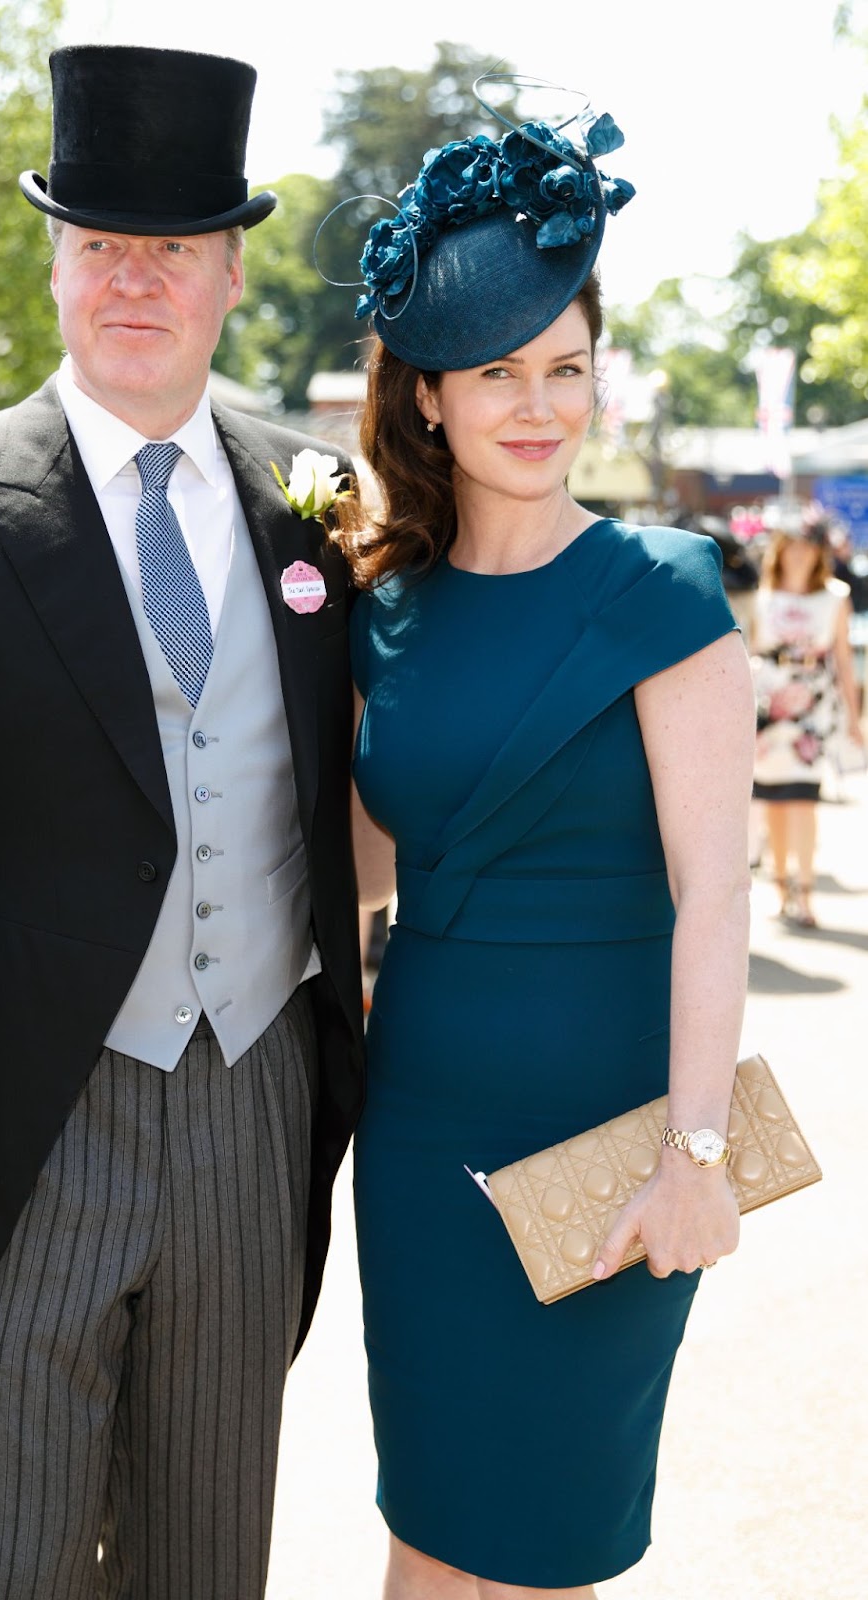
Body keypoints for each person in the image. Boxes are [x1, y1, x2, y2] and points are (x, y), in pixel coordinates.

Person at [0, 46, 364, 1600]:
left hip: (254, 1098)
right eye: (100, 244)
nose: (135, 281)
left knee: (208, 1555)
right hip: (23, 1121)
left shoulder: (313, 490)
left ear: (230, 273)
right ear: (55, 261)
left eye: (171, 248)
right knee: (16, 1553)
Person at [337, 89, 755, 1598]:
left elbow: (718, 891)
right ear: (426, 394)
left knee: (544, 1546)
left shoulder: (662, 588)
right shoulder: (381, 610)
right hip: (421, 1129)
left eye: (566, 367)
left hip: (615, 1137)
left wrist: (697, 1155)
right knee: (428, 1530)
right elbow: (368, 867)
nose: (536, 403)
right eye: (495, 369)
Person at [750, 523, 864, 928]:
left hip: (813, 708)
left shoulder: (835, 597)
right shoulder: (760, 598)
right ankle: (781, 889)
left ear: (819, 554)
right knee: (773, 802)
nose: (799, 556)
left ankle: (806, 890)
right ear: (778, 552)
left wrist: (854, 718)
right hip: (768, 704)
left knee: (804, 799)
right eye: (791, 548)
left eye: (806, 548)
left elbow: (844, 661)